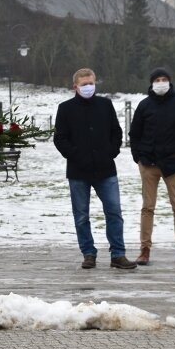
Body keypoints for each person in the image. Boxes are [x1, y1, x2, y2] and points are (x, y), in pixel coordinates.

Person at [53, 68, 137, 270]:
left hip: (105, 169)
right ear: (75, 87)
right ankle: (88, 253)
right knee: (81, 215)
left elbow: (116, 133)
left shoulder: (105, 105)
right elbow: (60, 139)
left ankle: (118, 254)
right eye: (84, 84)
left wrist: (109, 153)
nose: (88, 87)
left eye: (91, 83)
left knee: (114, 212)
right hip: (78, 171)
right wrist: (77, 155)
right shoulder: (65, 108)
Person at [129, 67, 175, 265]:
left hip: (174, 164)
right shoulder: (144, 106)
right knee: (147, 208)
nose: (161, 82)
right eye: (157, 79)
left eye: (164, 79)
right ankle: (144, 250)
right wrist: (138, 157)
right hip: (148, 164)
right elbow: (134, 134)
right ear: (152, 83)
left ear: (170, 82)